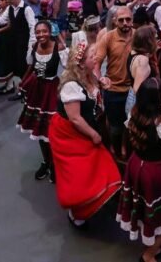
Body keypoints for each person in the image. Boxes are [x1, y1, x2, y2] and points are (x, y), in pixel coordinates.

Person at [50, 43, 122, 227]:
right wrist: (94, 135)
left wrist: (102, 83)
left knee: (98, 164)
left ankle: (93, 200)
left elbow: (93, 95)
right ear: (81, 64)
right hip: (69, 134)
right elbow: (75, 118)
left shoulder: (88, 75)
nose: (96, 57)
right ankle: (78, 212)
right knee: (81, 173)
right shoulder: (71, 86)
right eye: (92, 56)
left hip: (86, 126)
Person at [117, 78, 161, 261]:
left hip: (135, 165)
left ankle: (152, 247)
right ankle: (148, 255)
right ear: (159, 98)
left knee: (143, 208)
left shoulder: (134, 114)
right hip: (155, 172)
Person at [17, 21, 67, 182]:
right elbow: (30, 68)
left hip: (52, 91)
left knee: (51, 131)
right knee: (39, 130)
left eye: (44, 31)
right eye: (38, 32)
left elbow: (69, 69)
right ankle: (46, 162)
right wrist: (22, 83)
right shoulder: (33, 48)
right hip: (36, 91)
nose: (41, 35)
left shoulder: (59, 47)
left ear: (50, 32)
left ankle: (55, 164)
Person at [93, 6, 134, 159]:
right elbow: (96, 63)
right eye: (121, 20)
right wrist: (100, 79)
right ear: (115, 21)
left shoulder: (137, 36)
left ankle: (123, 146)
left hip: (132, 90)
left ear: (132, 20)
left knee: (128, 123)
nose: (125, 23)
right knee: (115, 125)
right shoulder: (108, 37)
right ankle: (112, 144)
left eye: (128, 19)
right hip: (113, 90)